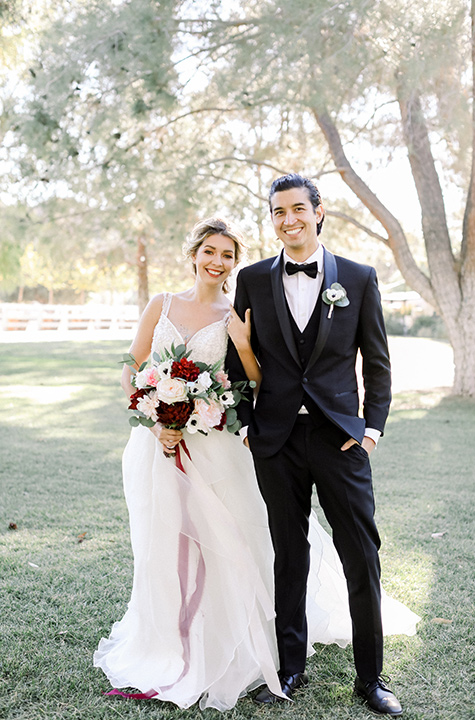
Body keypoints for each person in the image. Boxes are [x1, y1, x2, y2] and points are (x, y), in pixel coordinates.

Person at [94, 215, 418, 713]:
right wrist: (157, 415)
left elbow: (258, 377)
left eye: (227, 255)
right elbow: (132, 367)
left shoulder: (241, 304)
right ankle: (174, 643)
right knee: (164, 545)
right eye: (209, 252)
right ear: (193, 253)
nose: (217, 262)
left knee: (240, 543)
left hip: (225, 444)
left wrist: (242, 349)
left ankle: (359, 676)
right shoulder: (161, 303)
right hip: (162, 444)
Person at [225, 173, 405, 716]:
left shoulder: (358, 276)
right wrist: (247, 424)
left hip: (340, 441)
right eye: (278, 212)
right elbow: (239, 365)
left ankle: (371, 678)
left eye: (298, 209)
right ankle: (289, 667)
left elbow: (377, 362)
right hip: (276, 441)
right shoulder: (253, 280)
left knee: (360, 555)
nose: (289, 220)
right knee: (289, 554)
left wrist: (370, 431)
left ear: (318, 212)